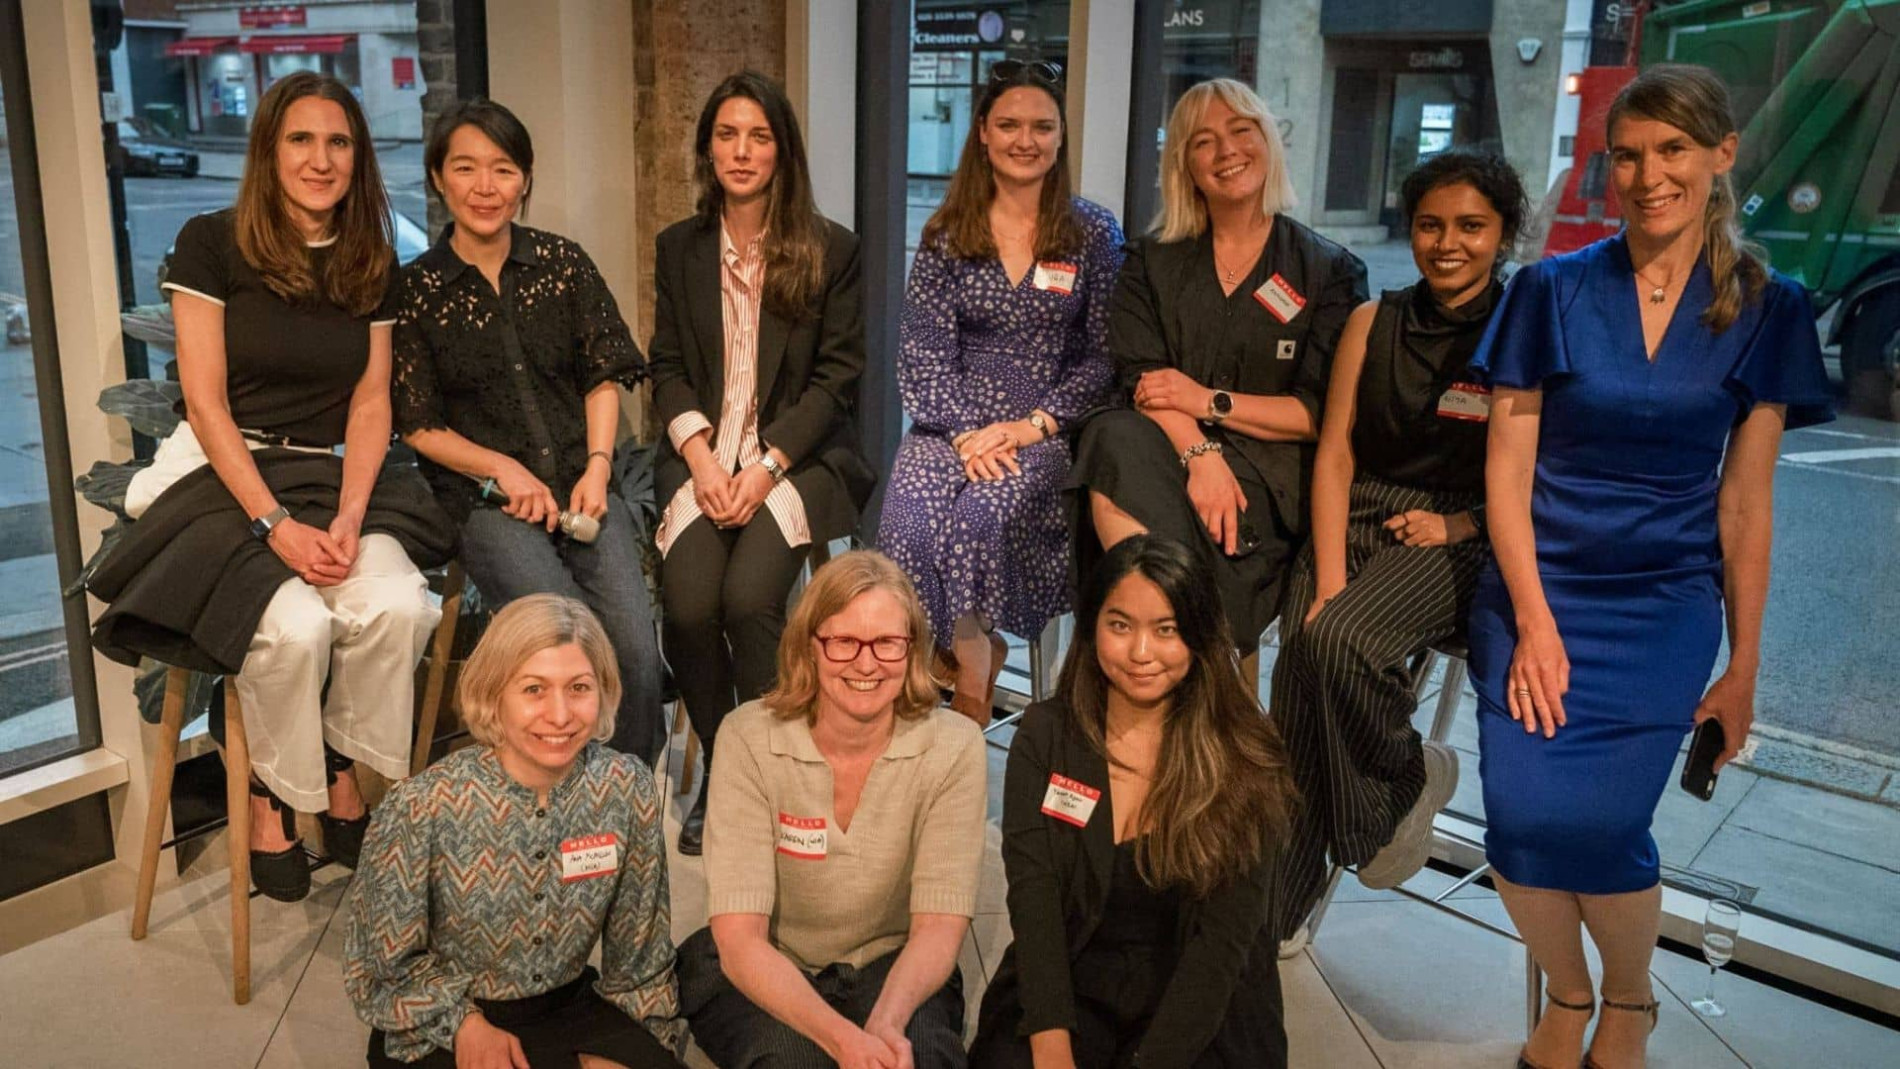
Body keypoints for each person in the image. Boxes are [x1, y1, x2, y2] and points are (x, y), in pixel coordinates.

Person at [1468, 65, 1832, 1069]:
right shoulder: (1550, 288)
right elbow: (1505, 474)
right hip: (1535, 591)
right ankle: (1569, 991)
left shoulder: (1769, 305)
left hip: (1664, 603)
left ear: (1721, 156)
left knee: (1603, 823)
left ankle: (1626, 1002)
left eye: (1671, 149)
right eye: (1626, 154)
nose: (1646, 174)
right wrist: (1534, 623)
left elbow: (1745, 501)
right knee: (1520, 825)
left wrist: (1743, 663)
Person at [89, 72, 451, 903]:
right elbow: (207, 403)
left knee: (396, 604)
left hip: (336, 471)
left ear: (358, 158)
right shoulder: (211, 243)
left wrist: (354, 513)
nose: (320, 160)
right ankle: (272, 791)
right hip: (233, 472)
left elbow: (370, 401)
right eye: (301, 140)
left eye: (338, 143)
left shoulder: (372, 259)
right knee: (289, 629)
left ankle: (334, 766)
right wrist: (276, 524)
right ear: (268, 150)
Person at [1267, 150, 1528, 943]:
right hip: (1353, 512)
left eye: (1472, 226)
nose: (1449, 242)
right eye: (1431, 225)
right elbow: (1336, 453)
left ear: (1505, 234)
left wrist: (1461, 526)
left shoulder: (1525, 324)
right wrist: (1330, 572)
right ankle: (1274, 913)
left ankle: (1398, 792)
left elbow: (1540, 472)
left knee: (1336, 638)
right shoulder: (1371, 321)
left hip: (1464, 525)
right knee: (1302, 675)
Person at [390, 98, 667, 765]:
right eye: (466, 168)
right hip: (486, 503)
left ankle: (623, 788)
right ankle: (566, 786)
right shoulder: (415, 289)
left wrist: (598, 467)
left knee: (632, 643)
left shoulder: (562, 264)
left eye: (504, 169)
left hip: (582, 484)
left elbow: (603, 375)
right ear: (438, 178)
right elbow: (419, 424)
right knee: (566, 641)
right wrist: (501, 470)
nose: (486, 187)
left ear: (525, 179)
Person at [649, 70, 875, 856]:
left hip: (799, 456)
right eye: (726, 135)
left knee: (749, 598)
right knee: (685, 605)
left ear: (783, 150)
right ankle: (727, 760)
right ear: (707, 146)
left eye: (759, 136)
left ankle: (772, 768)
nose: (741, 152)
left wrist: (766, 464)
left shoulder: (830, 248)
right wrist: (702, 457)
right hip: (705, 458)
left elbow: (838, 378)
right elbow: (667, 363)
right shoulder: (678, 247)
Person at [968, 534, 1297, 1069]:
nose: (1142, 653)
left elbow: (1221, 950)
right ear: (1091, 626)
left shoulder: (1246, 757)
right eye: (1120, 625)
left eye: (1165, 630)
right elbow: (1036, 905)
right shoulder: (1046, 735)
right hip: (1074, 979)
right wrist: (1052, 1048)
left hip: (1197, 1004)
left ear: (1198, 634)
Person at [1068, 78, 1368, 653]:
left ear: (1267, 141)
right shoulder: (1149, 261)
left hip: (1269, 479)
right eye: (1204, 141)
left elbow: (1316, 415)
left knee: (1138, 497)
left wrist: (1207, 401)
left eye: (1241, 130)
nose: (1227, 151)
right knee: (1110, 438)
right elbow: (1144, 383)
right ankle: (1179, 650)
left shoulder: (1328, 271)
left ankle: (1155, 649)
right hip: (1164, 451)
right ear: (1185, 164)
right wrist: (1199, 453)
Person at [877, 59, 1124, 726]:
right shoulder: (948, 234)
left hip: (1043, 432)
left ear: (1061, 135)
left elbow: (1105, 358)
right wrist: (963, 433)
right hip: (948, 427)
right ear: (982, 132)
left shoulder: (1094, 234)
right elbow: (924, 352)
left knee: (977, 520)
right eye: (1010, 124)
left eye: (1042, 126)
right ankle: (947, 656)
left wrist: (1031, 425)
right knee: (904, 522)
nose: (1026, 139)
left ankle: (974, 681)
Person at [344, 594, 686, 1069]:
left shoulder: (625, 789)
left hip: (572, 1007)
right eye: (533, 690)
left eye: (580, 688)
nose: (561, 715)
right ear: (492, 693)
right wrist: (461, 1023)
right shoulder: (423, 806)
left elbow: (640, 962)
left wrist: (638, 1046)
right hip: (444, 1016)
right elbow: (379, 970)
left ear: (604, 691)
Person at [675, 550, 985, 1069]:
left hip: (894, 965)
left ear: (912, 651)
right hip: (769, 960)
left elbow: (937, 928)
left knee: (922, 1059)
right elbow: (740, 938)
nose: (866, 663)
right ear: (809, 647)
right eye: (843, 641)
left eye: (887, 642)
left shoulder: (954, 747)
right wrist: (845, 1042)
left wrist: (884, 1027)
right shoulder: (747, 738)